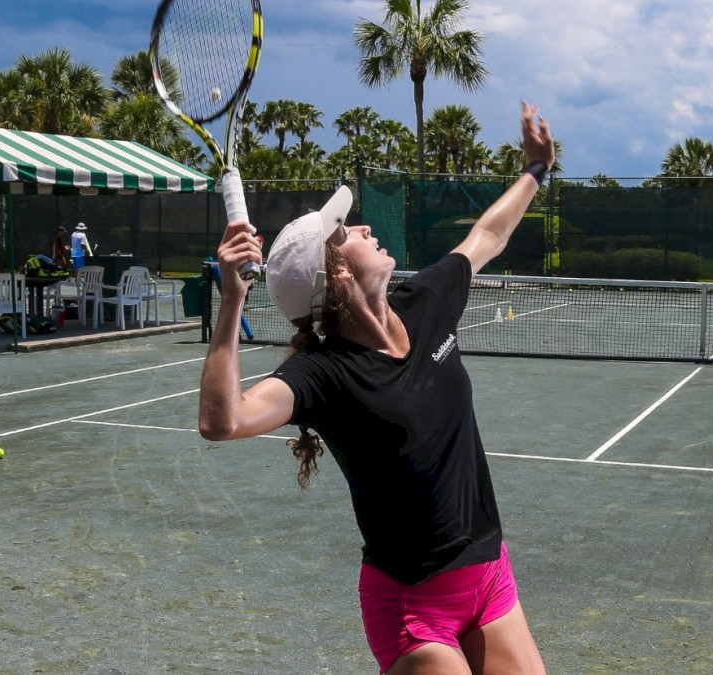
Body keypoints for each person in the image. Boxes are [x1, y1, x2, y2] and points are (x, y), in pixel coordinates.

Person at [198, 102, 553, 674]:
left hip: (489, 573)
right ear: (335, 274)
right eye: (347, 231)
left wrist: (536, 171)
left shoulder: (426, 304)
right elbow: (223, 421)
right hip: (414, 605)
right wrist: (232, 300)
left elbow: (488, 234)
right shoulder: (322, 374)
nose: (364, 227)